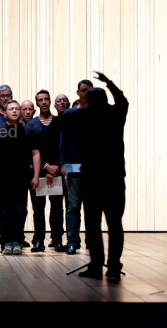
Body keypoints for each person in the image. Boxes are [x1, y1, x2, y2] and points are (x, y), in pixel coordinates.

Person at [52, 72, 128, 283]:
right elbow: (123, 100)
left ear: (87, 100)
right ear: (105, 99)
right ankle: (113, 267)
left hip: (91, 178)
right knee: (115, 224)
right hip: (113, 177)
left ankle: (96, 265)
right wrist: (109, 82)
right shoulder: (115, 114)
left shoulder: (79, 116)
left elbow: (57, 124)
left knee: (93, 224)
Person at [0, 100, 41, 255]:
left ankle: (16, 241)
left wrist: (36, 176)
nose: (15, 111)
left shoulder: (28, 131)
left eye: (17, 109)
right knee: (3, 211)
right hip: (1, 177)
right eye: (11, 109)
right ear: (5, 112)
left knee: (20, 210)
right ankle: (5, 241)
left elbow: (35, 154)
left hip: (22, 178)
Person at [26, 90, 66, 253]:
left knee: (57, 208)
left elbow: (63, 146)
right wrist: (45, 166)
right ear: (37, 104)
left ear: (50, 102)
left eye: (46, 99)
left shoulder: (59, 122)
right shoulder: (31, 125)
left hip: (56, 172)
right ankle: (38, 240)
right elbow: (29, 151)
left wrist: (56, 167)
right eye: (40, 100)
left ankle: (57, 239)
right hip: (39, 172)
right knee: (38, 208)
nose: (44, 102)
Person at [60, 79, 93, 255]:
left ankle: (92, 242)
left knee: (92, 207)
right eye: (82, 90)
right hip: (73, 165)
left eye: (88, 90)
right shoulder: (70, 114)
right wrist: (63, 163)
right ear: (77, 92)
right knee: (73, 206)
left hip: (93, 166)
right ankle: (72, 242)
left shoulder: (98, 114)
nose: (85, 93)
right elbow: (63, 140)